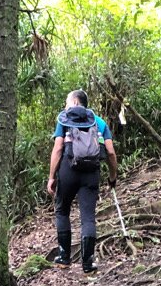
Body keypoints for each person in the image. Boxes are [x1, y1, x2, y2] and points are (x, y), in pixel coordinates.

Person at [47, 89, 118, 273]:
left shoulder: (64, 120)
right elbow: (110, 152)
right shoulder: (99, 122)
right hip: (91, 173)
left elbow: (58, 148)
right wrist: (112, 176)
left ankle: (64, 258)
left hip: (68, 170)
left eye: (67, 102)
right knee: (88, 217)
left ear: (75, 102)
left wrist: (52, 177)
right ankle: (87, 263)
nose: (65, 106)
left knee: (62, 211)